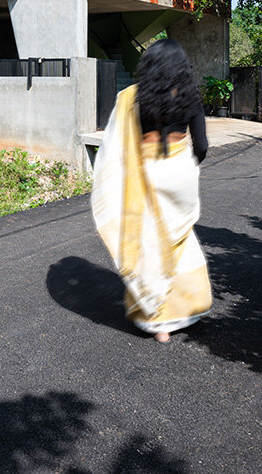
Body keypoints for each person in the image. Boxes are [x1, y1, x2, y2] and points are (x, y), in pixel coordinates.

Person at [91, 39, 212, 343]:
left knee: (150, 243)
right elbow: (202, 145)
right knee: (179, 241)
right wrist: (187, 166)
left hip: (147, 175)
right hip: (179, 174)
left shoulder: (133, 98)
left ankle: (159, 323)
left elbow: (118, 147)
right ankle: (189, 308)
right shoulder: (189, 95)